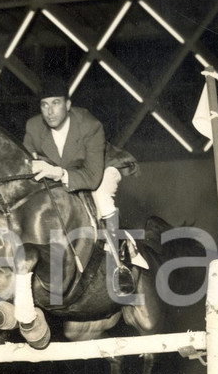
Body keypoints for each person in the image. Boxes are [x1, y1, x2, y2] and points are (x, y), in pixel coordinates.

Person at [23, 75, 139, 296]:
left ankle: (120, 264)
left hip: (103, 166)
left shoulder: (90, 125)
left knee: (101, 197)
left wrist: (58, 172)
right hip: (67, 170)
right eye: (44, 105)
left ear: (67, 105)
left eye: (56, 103)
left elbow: (93, 177)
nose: (49, 111)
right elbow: (27, 162)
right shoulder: (33, 126)